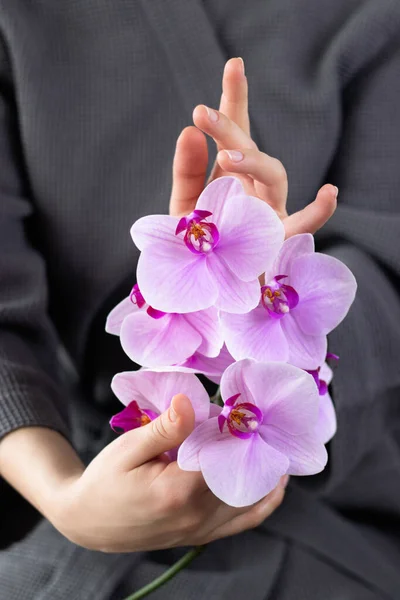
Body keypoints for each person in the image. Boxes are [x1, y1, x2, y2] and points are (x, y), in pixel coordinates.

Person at [0, 1, 399, 599]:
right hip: (76, 483)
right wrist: (64, 495)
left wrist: (260, 308)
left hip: (331, 520)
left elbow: (383, 265)